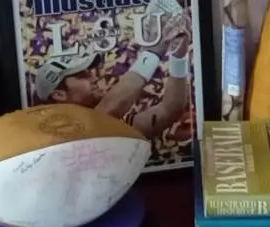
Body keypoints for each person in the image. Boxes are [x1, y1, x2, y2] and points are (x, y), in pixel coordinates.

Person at [37, 13, 192, 142]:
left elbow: (170, 109)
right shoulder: (55, 132)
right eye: (82, 76)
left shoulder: (109, 125)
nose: (93, 78)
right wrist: (154, 51)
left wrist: (178, 57)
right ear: (59, 94)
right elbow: (109, 108)